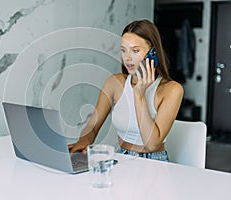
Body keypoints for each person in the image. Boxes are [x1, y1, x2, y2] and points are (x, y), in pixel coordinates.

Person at [68, 19, 183, 161]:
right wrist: (84, 140)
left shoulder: (172, 90)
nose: (127, 58)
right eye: (123, 50)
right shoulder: (114, 83)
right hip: (121, 157)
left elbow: (152, 144)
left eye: (135, 50)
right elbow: (93, 125)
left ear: (153, 52)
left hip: (154, 162)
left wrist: (139, 94)